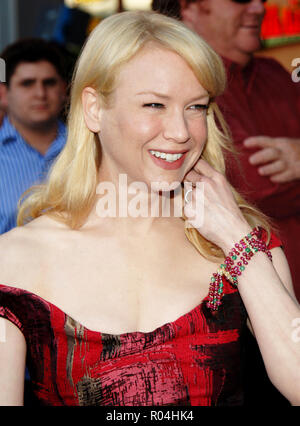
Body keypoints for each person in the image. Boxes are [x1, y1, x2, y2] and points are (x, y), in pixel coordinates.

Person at [0, 11, 299, 407]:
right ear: (93, 108)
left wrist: (236, 238)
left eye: (196, 107)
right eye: (155, 104)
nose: (180, 131)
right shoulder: (15, 259)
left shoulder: (245, 245)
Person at [152, 0, 300, 304]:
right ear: (189, 9)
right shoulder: (179, 82)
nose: (259, 8)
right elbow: (250, 185)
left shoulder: (274, 73)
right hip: (234, 313)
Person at [0, 38, 68, 234]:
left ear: (63, 89)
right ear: (3, 94)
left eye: (49, 83)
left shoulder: (92, 149)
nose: (40, 93)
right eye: (27, 84)